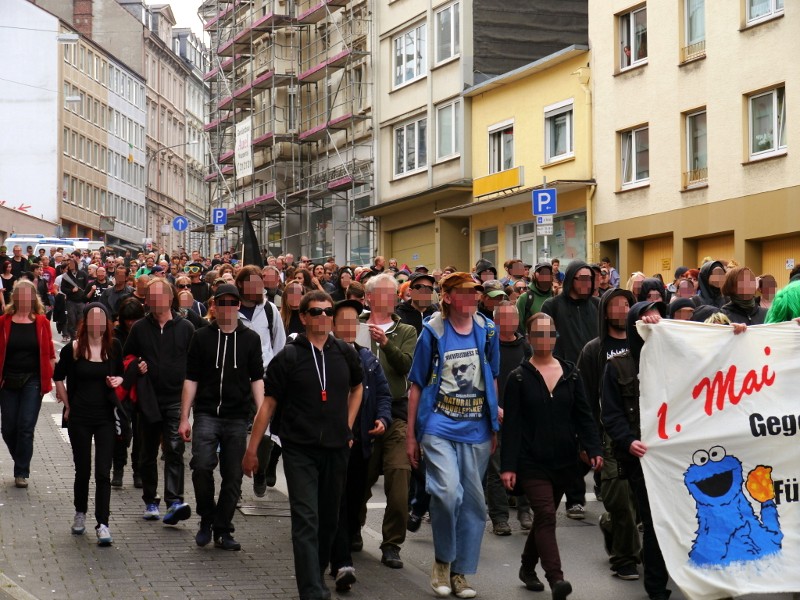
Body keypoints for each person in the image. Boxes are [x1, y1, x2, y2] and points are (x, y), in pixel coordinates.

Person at [243, 291, 363, 600]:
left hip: (337, 449)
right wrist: (252, 449)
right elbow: (268, 406)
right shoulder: (289, 356)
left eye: (327, 311)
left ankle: (317, 574)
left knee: (328, 520)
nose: (322, 316)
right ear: (305, 316)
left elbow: (358, 387)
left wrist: (347, 426)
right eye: (315, 311)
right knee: (306, 518)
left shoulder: (345, 353)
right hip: (300, 450)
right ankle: (312, 590)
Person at [406, 272, 500, 599]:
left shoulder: (488, 330)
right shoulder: (432, 332)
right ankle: (442, 562)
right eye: (465, 293)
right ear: (447, 297)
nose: (473, 298)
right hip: (438, 425)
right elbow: (416, 384)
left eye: (476, 292)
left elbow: (493, 376)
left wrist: (495, 421)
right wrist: (411, 436)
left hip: (476, 428)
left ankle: (460, 573)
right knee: (447, 493)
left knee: (474, 505)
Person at [502, 312, 602, 600]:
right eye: (538, 334)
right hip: (531, 461)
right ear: (530, 338)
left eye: (550, 333)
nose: (545, 339)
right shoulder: (518, 377)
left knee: (544, 519)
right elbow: (512, 426)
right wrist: (508, 466)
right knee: (546, 514)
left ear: (555, 337)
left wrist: (593, 448)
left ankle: (526, 567)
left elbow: (584, 416)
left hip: (565, 461)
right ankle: (556, 579)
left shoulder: (571, 373)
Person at [179, 284, 264, 551]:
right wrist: (184, 417)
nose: (227, 308)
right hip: (206, 414)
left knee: (233, 475)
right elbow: (190, 378)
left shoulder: (250, 339)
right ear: (214, 305)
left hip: (237, 416)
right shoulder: (201, 337)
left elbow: (257, 379)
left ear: (239, 306)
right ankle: (207, 517)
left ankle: (223, 528)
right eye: (222, 303)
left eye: (232, 303)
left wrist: (262, 414)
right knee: (201, 465)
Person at [601, 301, 671, 600]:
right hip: (641, 459)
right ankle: (656, 586)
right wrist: (628, 441)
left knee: (679, 519)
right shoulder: (617, 366)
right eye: (644, 321)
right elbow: (611, 414)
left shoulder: (676, 361)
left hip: (676, 457)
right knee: (655, 522)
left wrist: (738, 334)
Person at [576, 289, 641, 581]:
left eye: (627, 304)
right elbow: (584, 399)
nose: (622, 308)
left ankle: (609, 523)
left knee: (639, 505)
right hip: (608, 437)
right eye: (615, 304)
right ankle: (624, 559)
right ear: (604, 312)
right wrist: (586, 441)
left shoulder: (644, 344)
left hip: (642, 434)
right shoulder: (593, 350)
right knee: (621, 502)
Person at [329, 299, 392, 592]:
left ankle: (346, 539)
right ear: (332, 325)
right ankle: (340, 561)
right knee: (337, 501)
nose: (350, 327)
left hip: (363, 442)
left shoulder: (367, 358)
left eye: (354, 321)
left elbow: (383, 394)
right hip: (333, 443)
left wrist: (382, 418)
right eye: (344, 321)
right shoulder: (326, 357)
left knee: (354, 500)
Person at [123, 279, 195, 523]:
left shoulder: (186, 327)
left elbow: (195, 364)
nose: (152, 301)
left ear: (170, 298)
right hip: (148, 398)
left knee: (174, 448)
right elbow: (127, 357)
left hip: (176, 398)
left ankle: (174, 501)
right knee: (147, 450)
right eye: (149, 297)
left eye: (157, 296)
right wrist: (136, 364)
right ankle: (150, 500)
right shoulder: (140, 328)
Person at [358, 274, 418, 568]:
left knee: (399, 477)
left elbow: (406, 365)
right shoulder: (355, 323)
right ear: (369, 297)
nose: (389, 298)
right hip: (361, 413)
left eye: (393, 293)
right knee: (359, 479)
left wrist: (387, 344)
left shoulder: (405, 329)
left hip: (395, 412)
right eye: (383, 293)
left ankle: (392, 543)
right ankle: (351, 529)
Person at [53, 303, 123, 546]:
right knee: (82, 470)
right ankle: (80, 512)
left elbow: (122, 373)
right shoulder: (73, 349)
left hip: (105, 417)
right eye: (92, 318)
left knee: (103, 472)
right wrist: (67, 403)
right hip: (79, 417)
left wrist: (117, 379)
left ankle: (103, 523)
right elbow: (57, 376)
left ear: (106, 323)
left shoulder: (113, 347)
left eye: (101, 318)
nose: (97, 323)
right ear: (85, 322)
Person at [541, 260, 599, 520]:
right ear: (571, 279)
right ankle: (574, 498)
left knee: (595, 433)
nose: (586, 283)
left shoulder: (598, 307)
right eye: (581, 278)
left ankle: (603, 484)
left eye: (590, 279)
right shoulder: (552, 306)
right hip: (564, 378)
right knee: (570, 440)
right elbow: (544, 342)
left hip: (597, 377)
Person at [234, 266, 286, 496]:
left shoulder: (270, 310)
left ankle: (261, 469)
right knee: (234, 430)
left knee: (264, 427)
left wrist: (277, 374)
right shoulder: (231, 310)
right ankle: (233, 483)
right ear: (241, 285)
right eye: (251, 283)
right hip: (235, 378)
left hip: (264, 376)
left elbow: (279, 343)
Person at [0, 280, 56, 488]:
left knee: (25, 426)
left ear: (33, 298)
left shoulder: (41, 322)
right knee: (8, 429)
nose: (23, 299)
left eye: (27, 295)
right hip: (8, 380)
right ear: (14, 298)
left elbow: (50, 354)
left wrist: (54, 382)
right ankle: (20, 458)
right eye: (19, 295)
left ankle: (21, 471)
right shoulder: (3, 322)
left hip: (32, 379)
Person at [486, 301, 533, 536]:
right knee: (495, 467)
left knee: (524, 463)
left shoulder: (526, 347)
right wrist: (494, 408)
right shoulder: (488, 345)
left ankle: (525, 511)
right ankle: (499, 518)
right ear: (495, 321)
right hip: (496, 414)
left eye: (512, 317)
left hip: (523, 414)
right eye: (503, 318)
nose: (509, 322)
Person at [111, 297, 146, 488]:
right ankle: (118, 467)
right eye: (128, 319)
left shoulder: (145, 332)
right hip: (121, 388)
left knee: (141, 433)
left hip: (141, 389)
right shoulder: (115, 335)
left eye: (134, 319)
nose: (131, 323)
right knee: (120, 431)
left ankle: (138, 471)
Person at [516, 263, 554, 333]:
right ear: (534, 275)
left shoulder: (556, 297)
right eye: (540, 272)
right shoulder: (525, 298)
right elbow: (518, 326)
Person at [62, 257, 89, 341]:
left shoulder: (83, 274)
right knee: (71, 320)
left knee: (81, 320)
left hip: (81, 302)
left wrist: (84, 296)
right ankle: (73, 338)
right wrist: (71, 290)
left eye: (72, 264)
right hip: (71, 302)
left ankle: (79, 337)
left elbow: (86, 286)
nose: (70, 265)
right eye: (69, 264)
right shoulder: (66, 276)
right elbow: (63, 288)